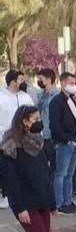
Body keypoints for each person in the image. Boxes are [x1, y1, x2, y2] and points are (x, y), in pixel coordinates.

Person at [0, 105, 57, 232]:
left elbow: (46, 175)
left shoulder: (39, 144)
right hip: (26, 202)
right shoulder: (11, 146)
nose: (39, 121)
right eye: (35, 118)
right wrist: (19, 207)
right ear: (24, 121)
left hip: (42, 199)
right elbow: (10, 182)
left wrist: (52, 202)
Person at [49, 72, 76, 215]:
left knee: (70, 175)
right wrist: (66, 140)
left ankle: (68, 201)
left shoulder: (72, 100)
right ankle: (59, 203)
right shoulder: (57, 102)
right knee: (61, 174)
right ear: (63, 83)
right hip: (65, 144)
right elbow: (55, 126)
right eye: (71, 83)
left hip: (75, 143)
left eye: (75, 83)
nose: (74, 86)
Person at [0, 70, 35, 209]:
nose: (23, 81)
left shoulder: (26, 97)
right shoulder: (1, 97)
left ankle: (24, 196)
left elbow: (34, 115)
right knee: (9, 171)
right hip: (6, 141)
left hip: (25, 141)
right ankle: (7, 196)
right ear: (13, 81)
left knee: (24, 170)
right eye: (21, 79)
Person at [36, 68, 60, 173]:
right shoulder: (41, 94)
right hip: (42, 135)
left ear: (49, 79)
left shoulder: (57, 94)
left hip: (52, 136)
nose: (39, 81)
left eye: (41, 79)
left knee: (55, 167)